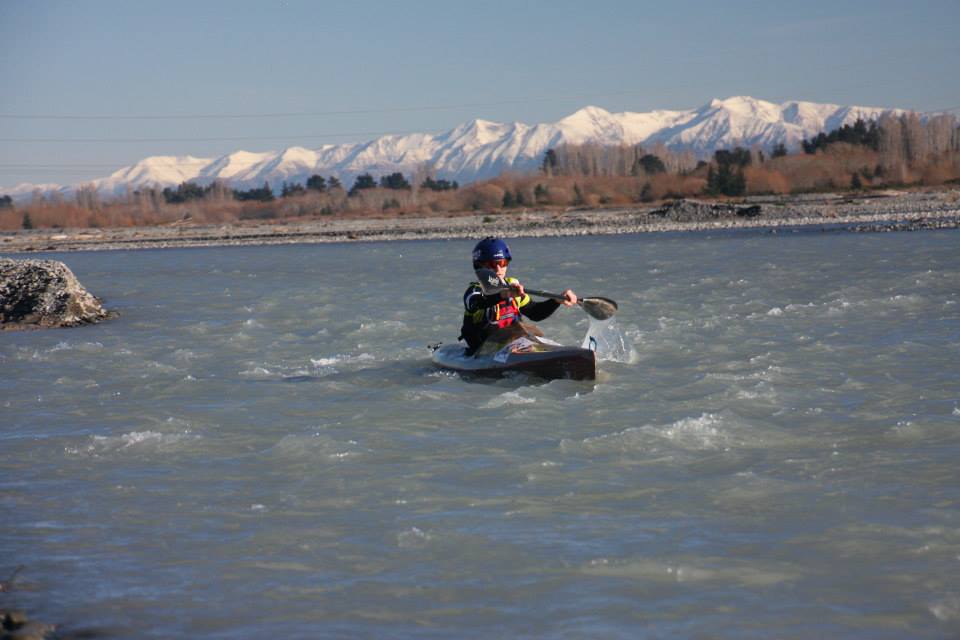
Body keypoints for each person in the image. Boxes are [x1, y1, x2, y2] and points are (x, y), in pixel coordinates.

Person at [459, 237, 577, 355]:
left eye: (503, 263)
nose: (499, 269)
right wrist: (504, 294)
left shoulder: (512, 285)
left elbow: (535, 313)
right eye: (492, 264)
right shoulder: (474, 290)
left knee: (527, 331)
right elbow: (477, 303)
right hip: (485, 348)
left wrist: (556, 301)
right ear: (479, 266)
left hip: (514, 341)